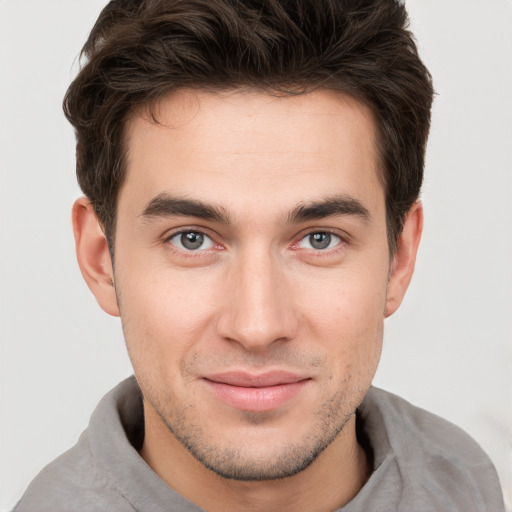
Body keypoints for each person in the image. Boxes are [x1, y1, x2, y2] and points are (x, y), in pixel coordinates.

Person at [13, 0, 505, 510]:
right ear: (101, 259)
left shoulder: (468, 483)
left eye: (320, 239)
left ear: (398, 258)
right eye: (191, 239)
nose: (257, 326)